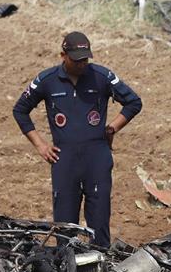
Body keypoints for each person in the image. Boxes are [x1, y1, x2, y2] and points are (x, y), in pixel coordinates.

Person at [13, 31, 142, 248]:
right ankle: (66, 271)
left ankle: (100, 265)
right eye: (77, 60)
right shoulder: (47, 80)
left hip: (97, 159)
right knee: (64, 225)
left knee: (99, 221)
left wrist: (112, 129)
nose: (82, 64)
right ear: (63, 55)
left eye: (85, 59)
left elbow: (133, 102)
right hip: (64, 160)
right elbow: (20, 110)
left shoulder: (102, 76)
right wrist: (40, 145)